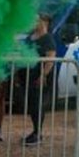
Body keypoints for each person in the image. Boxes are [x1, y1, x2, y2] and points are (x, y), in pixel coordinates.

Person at [22, 14, 57, 146]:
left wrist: (43, 75)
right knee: (32, 104)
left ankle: (38, 133)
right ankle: (35, 131)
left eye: (37, 20)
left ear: (45, 22)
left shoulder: (47, 38)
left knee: (37, 104)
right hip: (28, 76)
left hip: (39, 77)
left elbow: (51, 58)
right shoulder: (30, 37)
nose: (34, 22)